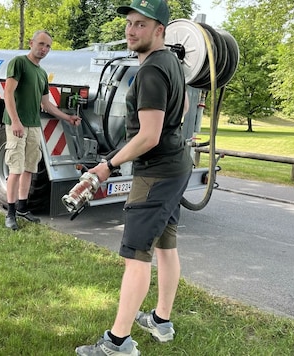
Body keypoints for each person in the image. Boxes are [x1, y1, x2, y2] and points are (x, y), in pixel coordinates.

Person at [75, 0, 192, 354]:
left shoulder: (151, 71)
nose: (131, 30)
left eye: (141, 24)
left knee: (136, 255)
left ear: (160, 30)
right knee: (166, 246)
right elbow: (184, 107)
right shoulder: (171, 61)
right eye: (129, 23)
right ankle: (161, 319)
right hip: (176, 166)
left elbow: (148, 135)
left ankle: (118, 342)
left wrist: (107, 165)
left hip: (155, 174)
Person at [3, 30, 81, 230]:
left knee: (29, 168)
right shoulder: (19, 63)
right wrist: (16, 122)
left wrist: (67, 117)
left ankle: (22, 207)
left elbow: (47, 105)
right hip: (17, 125)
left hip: (34, 125)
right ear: (31, 43)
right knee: (15, 169)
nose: (44, 49)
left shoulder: (41, 73)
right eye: (41, 44)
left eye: (48, 46)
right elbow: (8, 93)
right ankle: (10, 213)